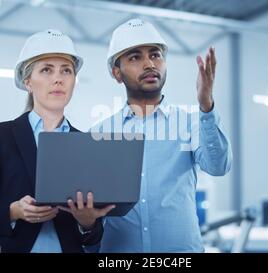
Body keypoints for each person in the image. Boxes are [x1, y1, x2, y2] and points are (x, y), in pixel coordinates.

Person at [0, 29, 114, 253]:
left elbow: (92, 237)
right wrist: (13, 211)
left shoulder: (85, 144)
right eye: (46, 70)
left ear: (73, 81)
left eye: (66, 71)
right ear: (28, 82)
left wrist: (87, 221)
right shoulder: (1, 136)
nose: (58, 78)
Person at [91, 19, 232, 252]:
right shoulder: (99, 134)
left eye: (155, 55)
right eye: (135, 57)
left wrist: (206, 106)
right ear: (117, 73)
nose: (149, 64)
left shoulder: (191, 122)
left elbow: (219, 167)